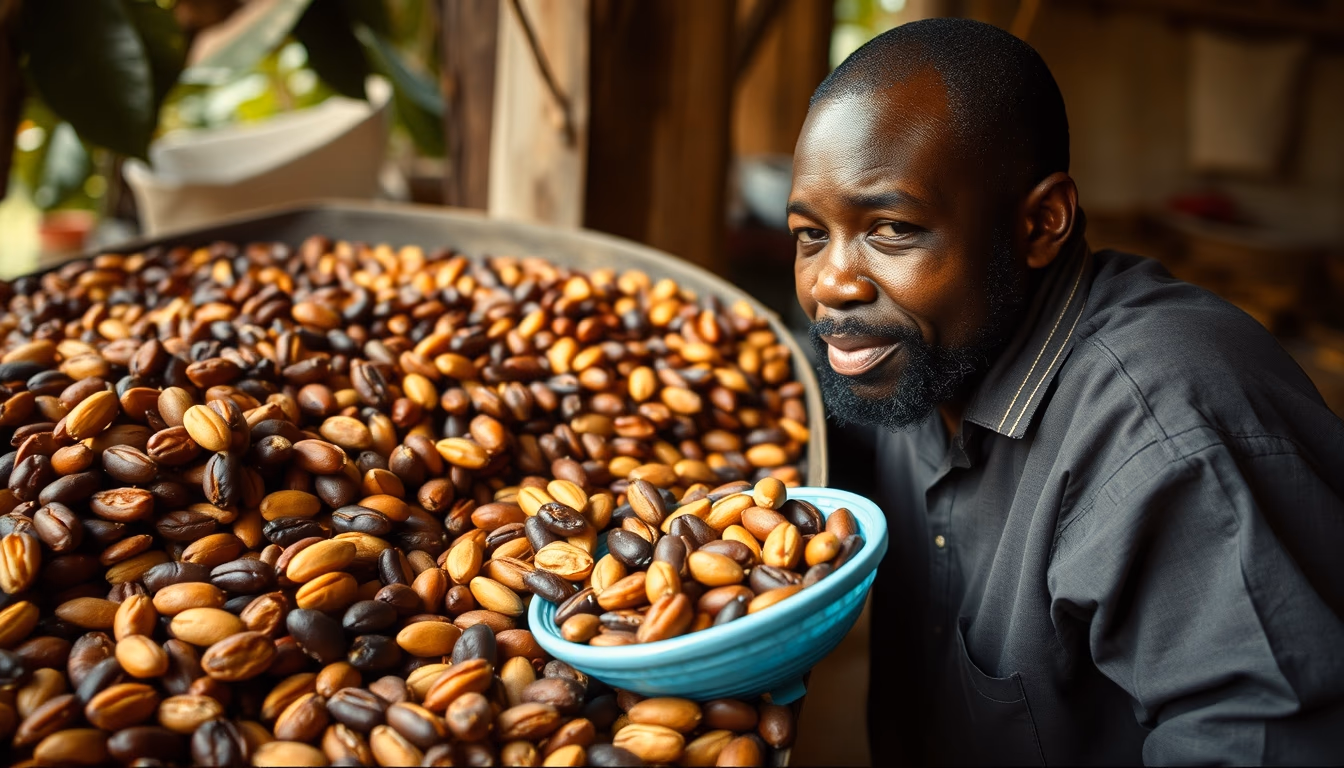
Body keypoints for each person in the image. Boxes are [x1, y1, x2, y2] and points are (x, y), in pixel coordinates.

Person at [788, 17, 1344, 766]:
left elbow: (1267, 742)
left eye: (890, 229)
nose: (830, 283)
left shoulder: (1169, 435)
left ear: (1041, 223)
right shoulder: (920, 354)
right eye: (810, 234)